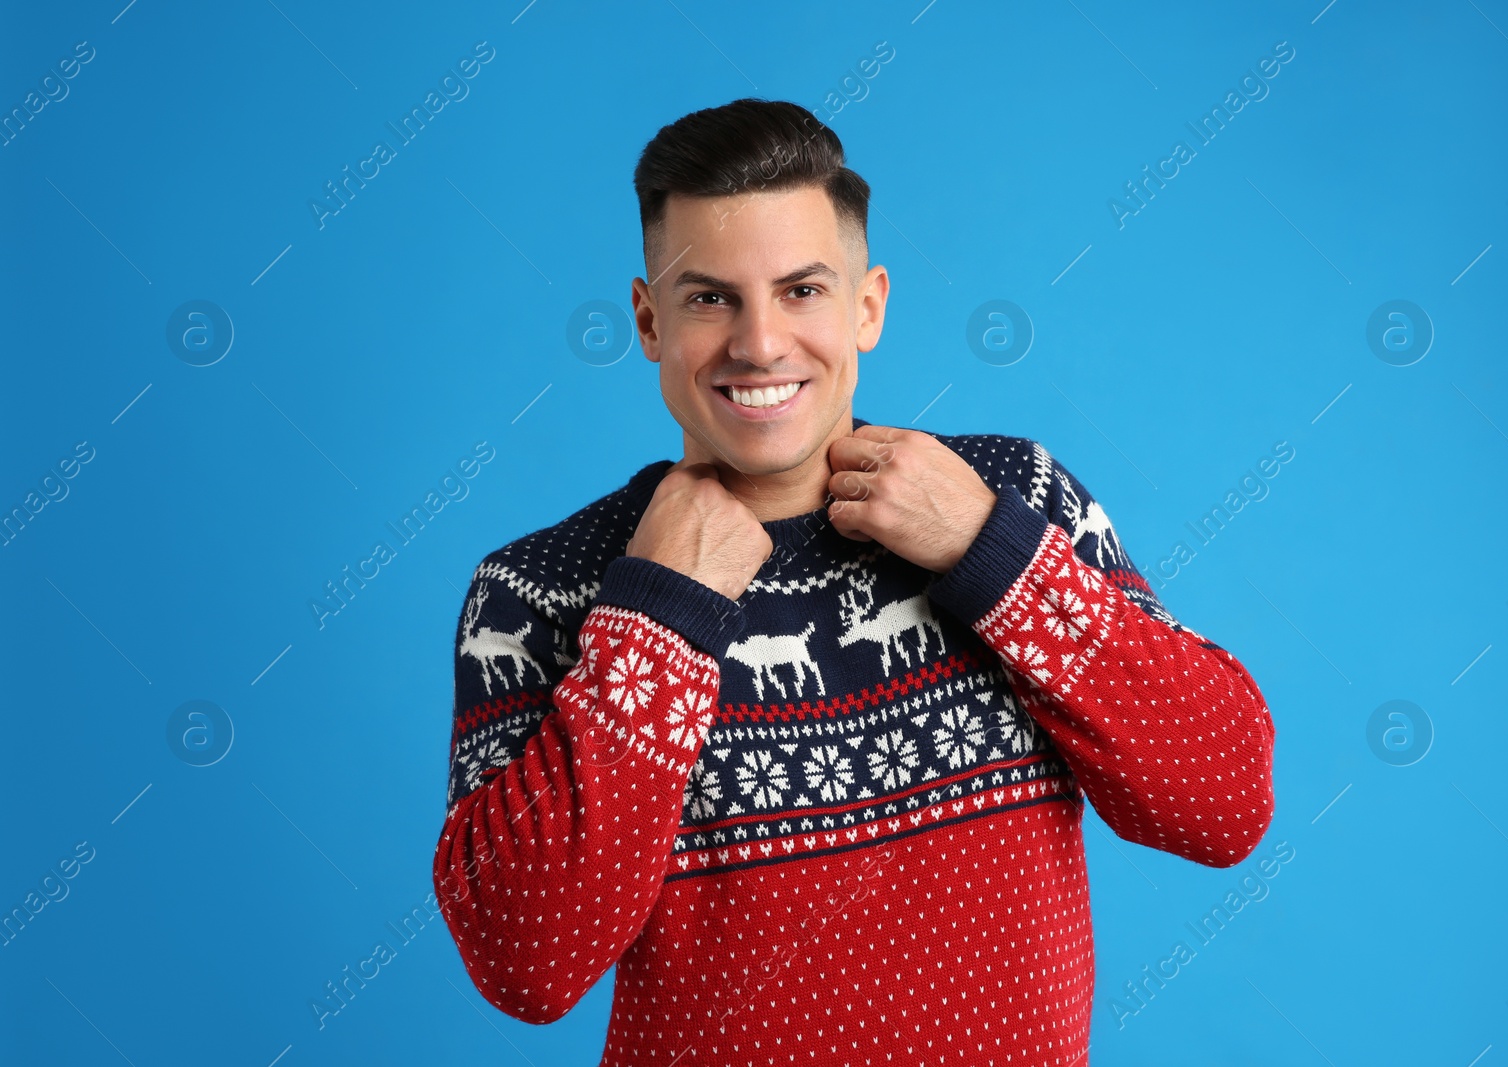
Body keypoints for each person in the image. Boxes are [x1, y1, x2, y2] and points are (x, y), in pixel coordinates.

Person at [432, 97, 1276, 1066]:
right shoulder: (541, 589)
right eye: (709, 296)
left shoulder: (1014, 495)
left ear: (867, 303)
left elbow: (1223, 800)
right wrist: (654, 618)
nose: (758, 343)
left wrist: (991, 551)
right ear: (647, 318)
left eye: (801, 290)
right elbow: (525, 964)